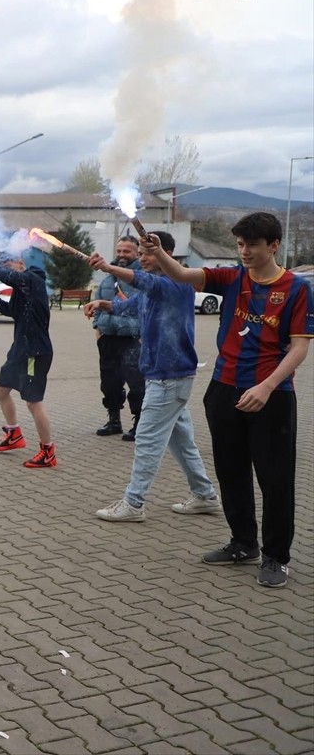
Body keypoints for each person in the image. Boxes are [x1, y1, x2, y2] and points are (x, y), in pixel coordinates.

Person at [146, 212, 311, 588]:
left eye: (252, 245)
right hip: (224, 388)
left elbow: (299, 348)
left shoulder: (297, 289)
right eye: (240, 244)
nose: (244, 252)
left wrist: (267, 386)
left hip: (271, 394)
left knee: (275, 479)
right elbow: (184, 276)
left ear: (273, 245)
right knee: (231, 470)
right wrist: (160, 254)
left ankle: (275, 556)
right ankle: (242, 543)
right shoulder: (232, 277)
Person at [83, 231, 221, 523]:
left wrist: (107, 267)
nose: (142, 259)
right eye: (141, 253)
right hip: (165, 376)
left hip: (169, 377)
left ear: (165, 253)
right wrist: (102, 304)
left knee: (146, 439)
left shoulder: (176, 284)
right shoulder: (153, 290)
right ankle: (205, 495)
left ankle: (133, 503)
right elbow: (128, 306)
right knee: (181, 441)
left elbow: (144, 282)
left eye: (147, 253)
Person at [0, 249, 56, 468]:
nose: (4, 269)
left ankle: (48, 451)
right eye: (1, 265)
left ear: (21, 262)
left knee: (33, 402)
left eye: (7, 264)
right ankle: (14, 435)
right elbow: (15, 312)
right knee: (0, 390)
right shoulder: (21, 287)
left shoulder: (32, 279)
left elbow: (11, 277)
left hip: (35, 352)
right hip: (20, 350)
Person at [92, 235, 145, 440]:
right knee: (110, 383)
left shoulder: (140, 277)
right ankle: (114, 421)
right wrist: (98, 328)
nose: (122, 255)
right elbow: (98, 303)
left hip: (132, 338)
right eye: (119, 251)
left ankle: (139, 423)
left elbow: (145, 309)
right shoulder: (108, 278)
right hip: (108, 339)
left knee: (137, 383)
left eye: (127, 251)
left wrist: (142, 335)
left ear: (137, 253)